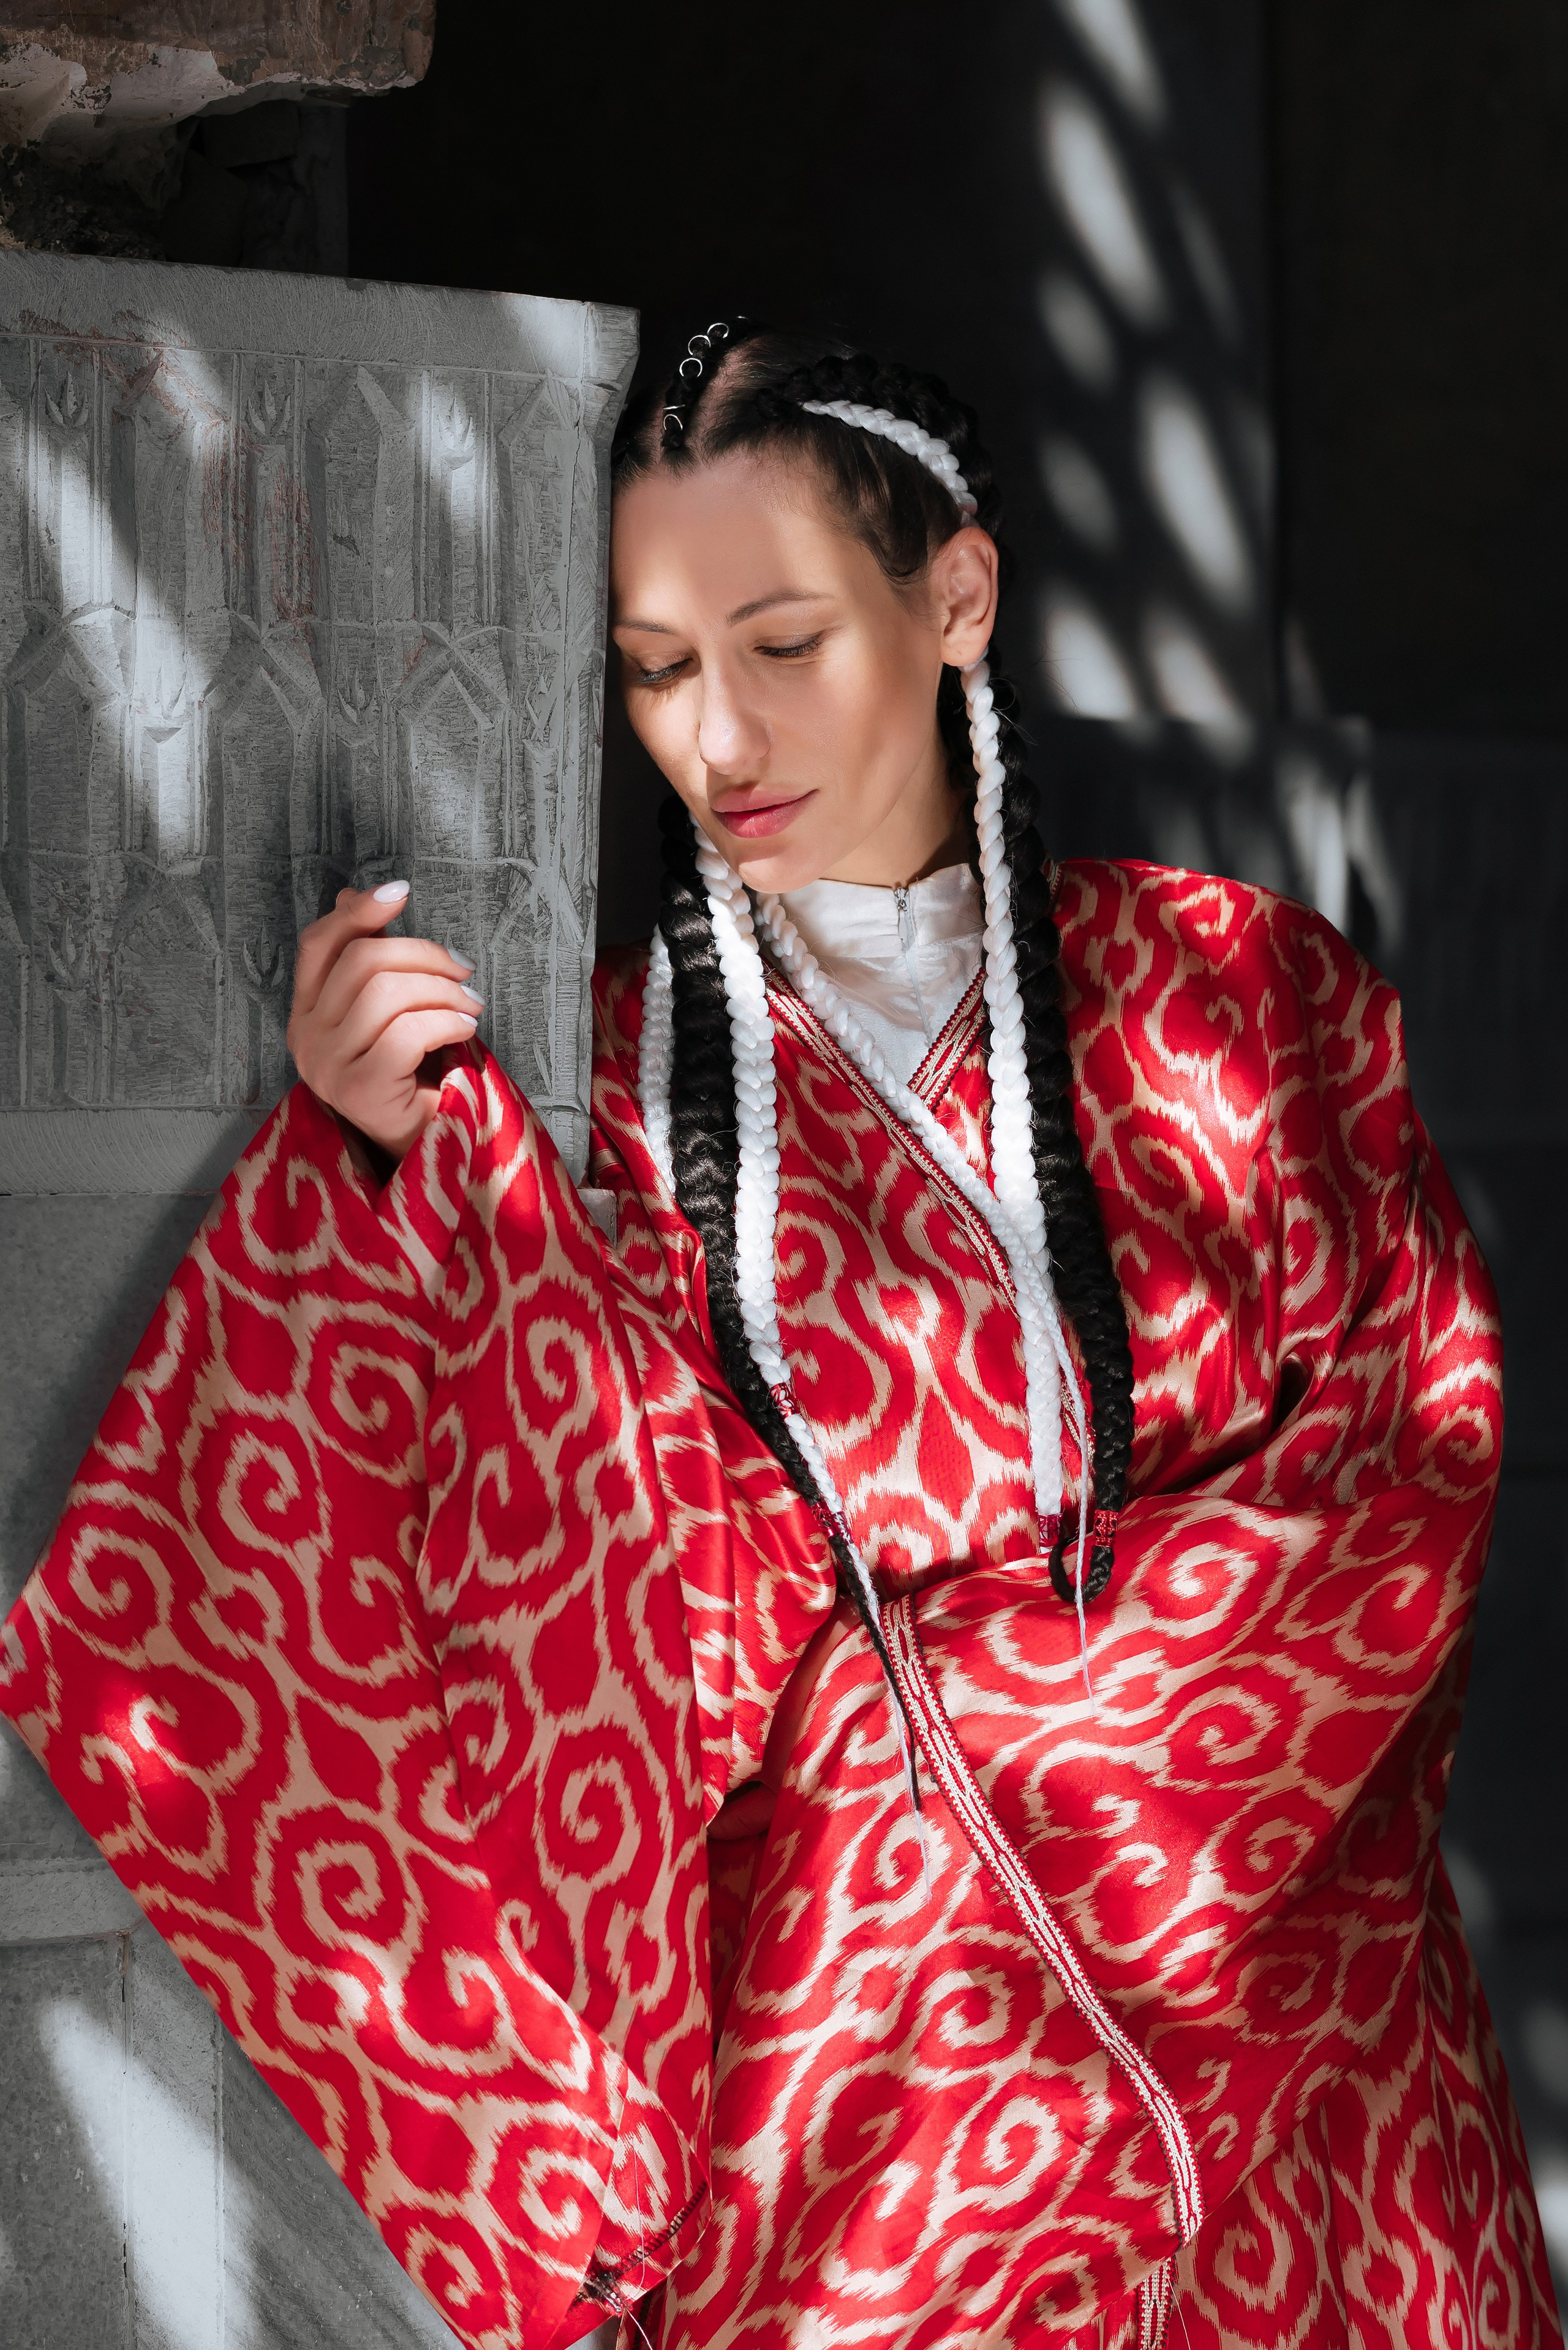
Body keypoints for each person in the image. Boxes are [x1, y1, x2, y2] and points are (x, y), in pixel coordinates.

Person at [1, 320, 1558, 2350]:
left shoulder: (1238, 996)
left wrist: (922, 1738)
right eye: (657, 668)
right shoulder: (623, 1090)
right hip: (860, 2144)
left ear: (957, 597)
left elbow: (1397, 1463)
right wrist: (376, 1157)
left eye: (781, 639)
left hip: (1313, 2092)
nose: (717, 737)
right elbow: (528, 1545)